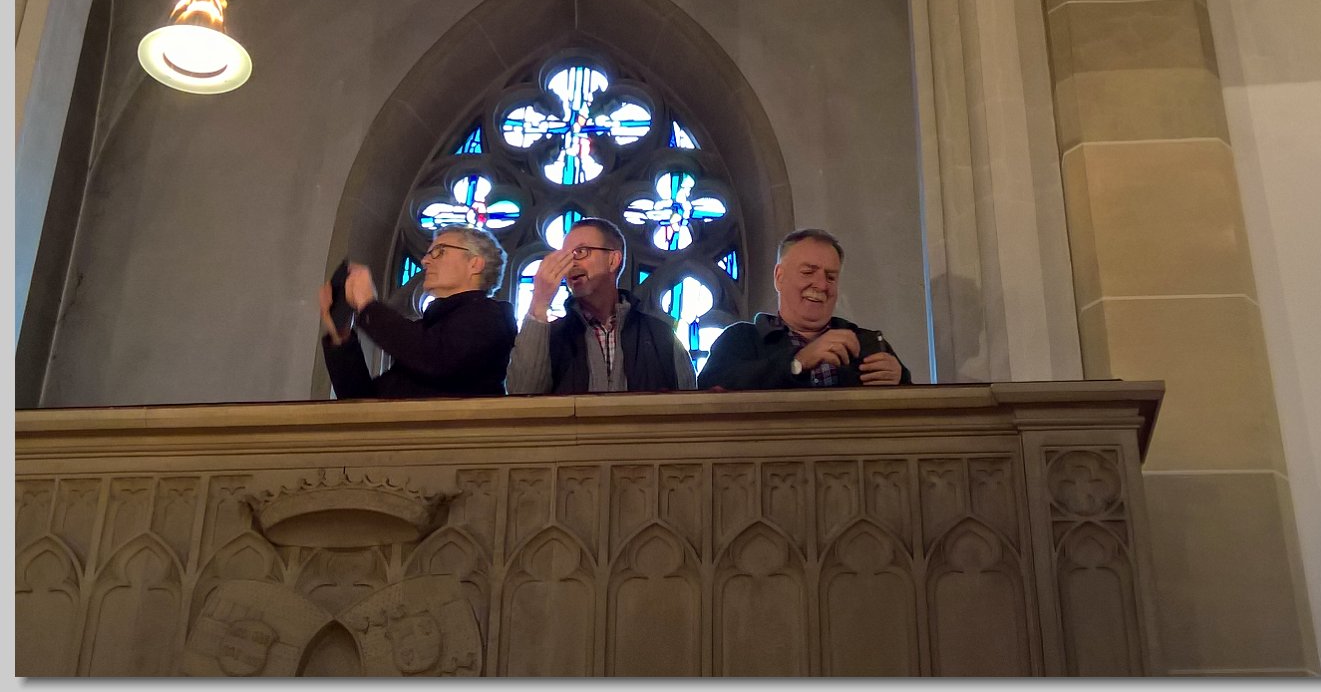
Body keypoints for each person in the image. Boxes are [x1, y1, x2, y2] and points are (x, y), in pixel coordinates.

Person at [698, 228, 911, 390]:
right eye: (808, 272)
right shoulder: (740, 340)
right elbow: (712, 387)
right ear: (779, 277)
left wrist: (899, 379)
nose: (821, 285)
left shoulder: (868, 343)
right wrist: (797, 362)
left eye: (831, 277)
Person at [319, 225, 517, 398]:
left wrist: (368, 305)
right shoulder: (429, 328)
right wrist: (340, 335)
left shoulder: (491, 317)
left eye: (439, 251)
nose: (424, 261)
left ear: (475, 264)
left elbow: (435, 358)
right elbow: (362, 401)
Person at [506, 217, 697, 394]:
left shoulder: (661, 336)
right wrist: (539, 302)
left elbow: (689, 407)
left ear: (613, 260)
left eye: (581, 252)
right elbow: (521, 396)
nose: (570, 264)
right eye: (564, 256)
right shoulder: (551, 337)